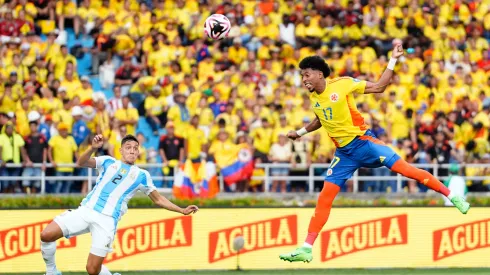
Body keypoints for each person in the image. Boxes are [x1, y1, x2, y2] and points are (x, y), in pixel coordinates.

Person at [279, 44, 470, 263]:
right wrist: (300, 132)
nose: (304, 79)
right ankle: (306, 248)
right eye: (302, 76)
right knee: (324, 197)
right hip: (344, 154)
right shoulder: (314, 97)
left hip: (364, 143)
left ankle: (452, 195)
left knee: (406, 170)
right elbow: (321, 119)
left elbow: (379, 87)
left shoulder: (342, 85)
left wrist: (393, 59)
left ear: (319, 74)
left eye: (307, 74)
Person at [39, 134, 199, 275]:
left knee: (92, 270)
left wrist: (181, 210)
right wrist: (92, 148)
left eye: (135, 148)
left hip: (107, 221)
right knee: (46, 235)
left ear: (138, 153)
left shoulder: (142, 175)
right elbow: (81, 162)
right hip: (86, 211)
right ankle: (52, 272)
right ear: (121, 150)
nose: (132, 150)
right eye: (128, 147)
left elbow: (158, 199)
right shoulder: (108, 162)